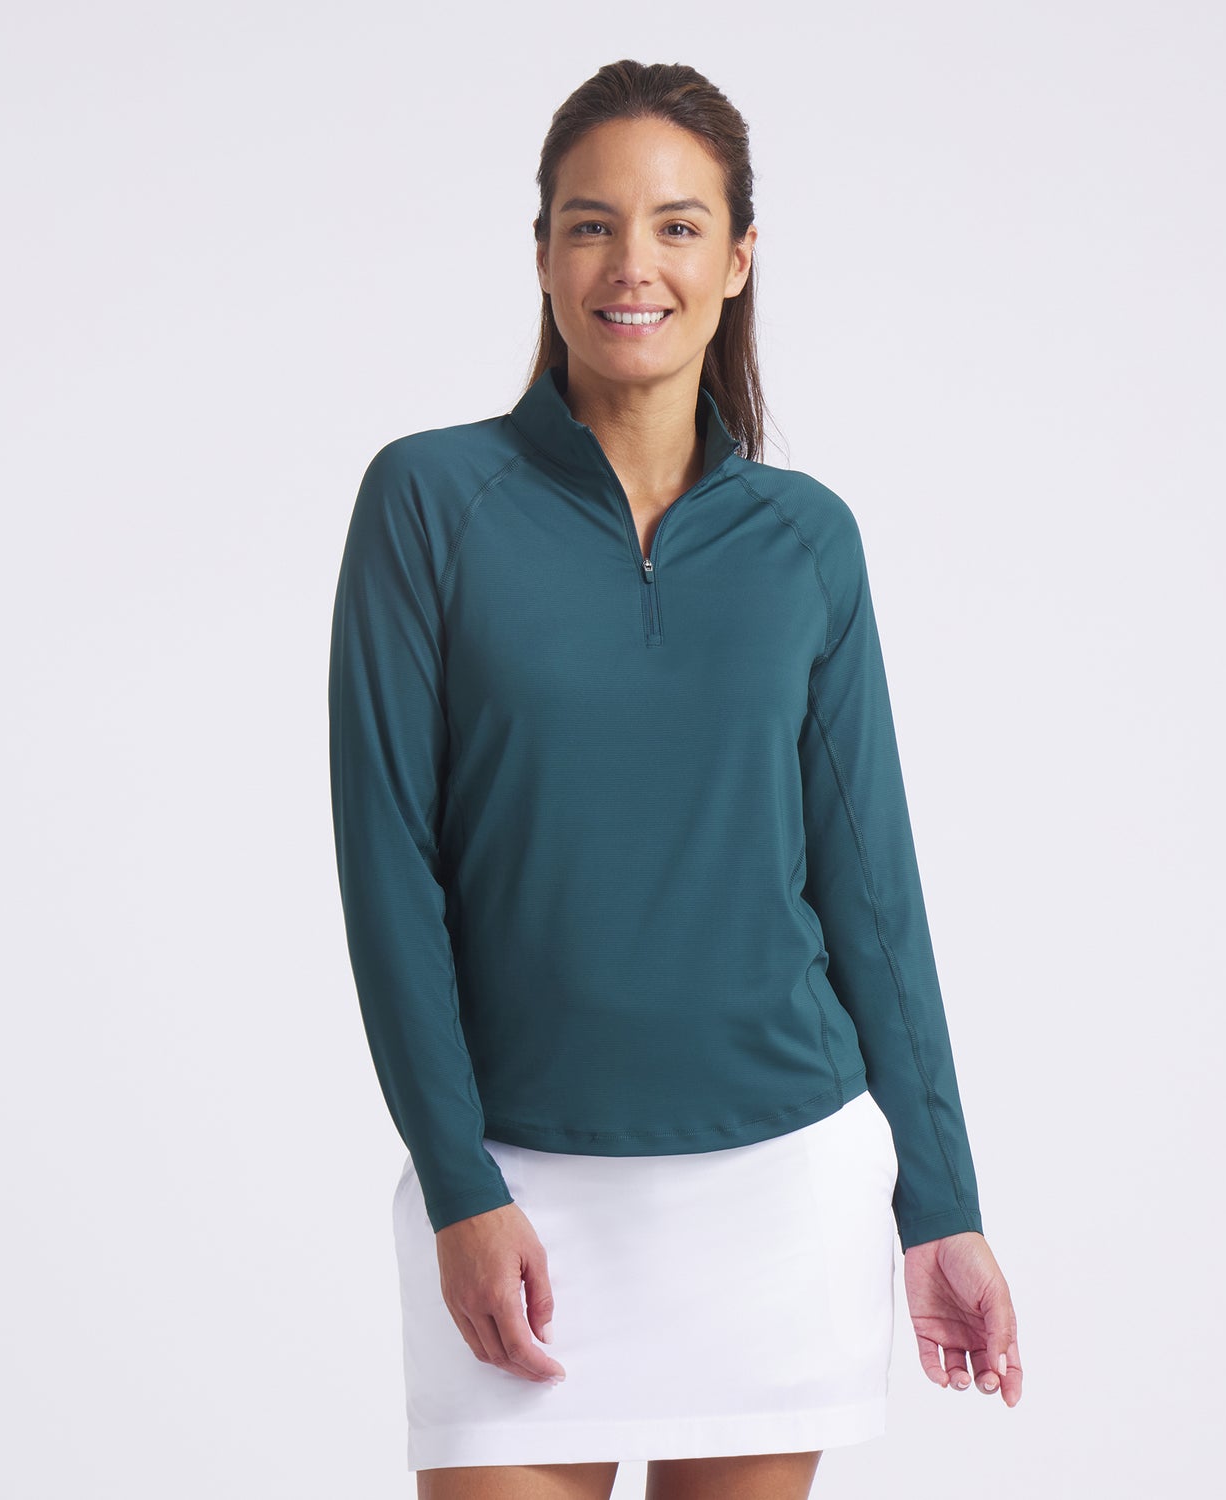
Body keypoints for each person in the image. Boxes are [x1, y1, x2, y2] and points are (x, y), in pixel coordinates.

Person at [328, 58, 1023, 1500]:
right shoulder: (429, 502)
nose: (630, 264)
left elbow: (871, 890)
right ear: (541, 253)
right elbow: (389, 867)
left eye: (677, 225)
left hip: (782, 1187)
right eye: (590, 224)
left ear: (739, 258)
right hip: (517, 1186)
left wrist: (940, 1205)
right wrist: (458, 1183)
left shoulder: (806, 540)